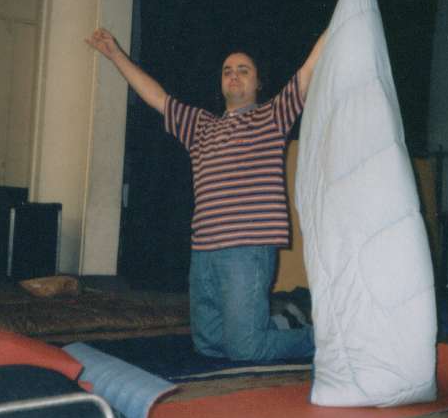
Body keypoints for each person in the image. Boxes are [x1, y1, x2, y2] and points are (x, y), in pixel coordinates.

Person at [86, 28, 325, 361]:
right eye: (227, 71)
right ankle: (282, 322)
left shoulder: (272, 117)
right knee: (209, 345)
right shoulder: (200, 125)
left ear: (258, 83)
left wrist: (341, 19)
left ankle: (325, 338)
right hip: (204, 252)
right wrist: (115, 55)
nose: (234, 75)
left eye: (243, 70)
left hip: (247, 250)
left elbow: (308, 71)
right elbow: (157, 97)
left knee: (246, 349)